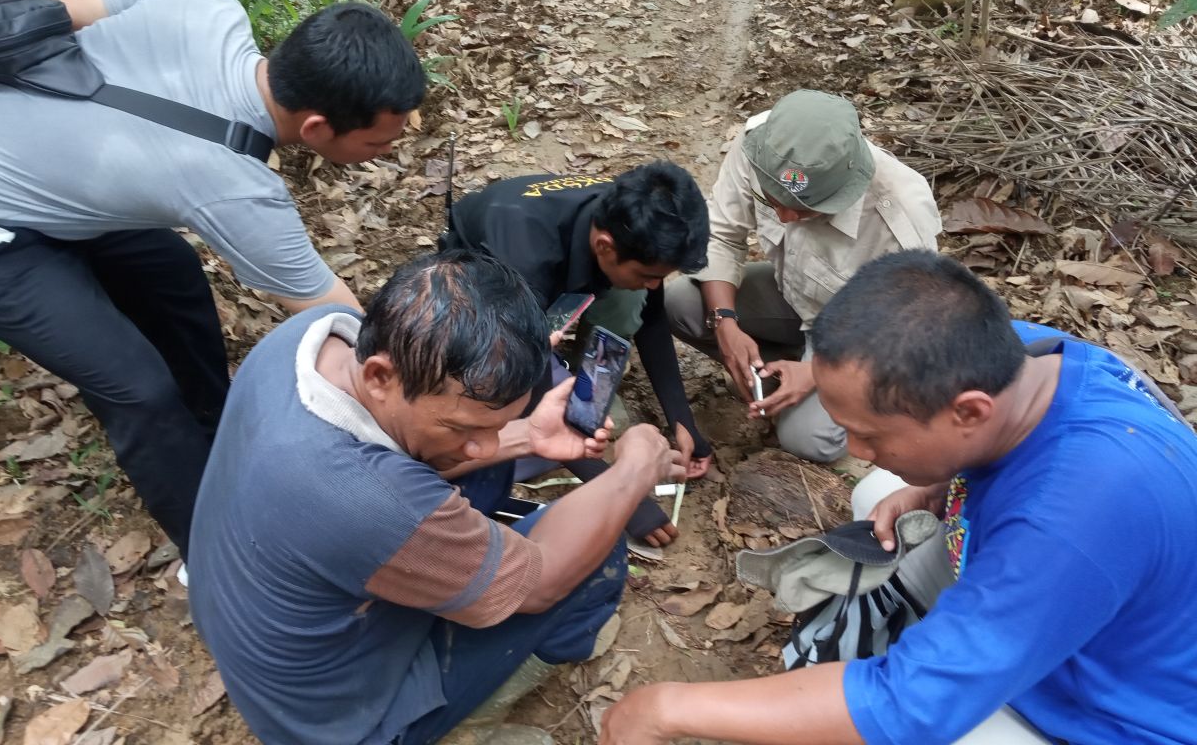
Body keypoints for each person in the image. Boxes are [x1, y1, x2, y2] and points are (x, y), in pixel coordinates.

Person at [601, 250, 1197, 745]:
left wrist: (666, 709)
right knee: (882, 491)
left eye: (872, 434)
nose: (855, 448)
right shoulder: (1029, 358)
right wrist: (933, 484)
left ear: (968, 412)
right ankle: (950, 630)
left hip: (1102, 710)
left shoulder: (1077, 511)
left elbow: (907, 707)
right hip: (1069, 608)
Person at [0, 0, 424, 556]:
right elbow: (339, 315)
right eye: (378, 145)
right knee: (138, 389)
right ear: (318, 129)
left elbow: (50, 12)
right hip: (7, 236)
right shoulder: (232, 187)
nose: (390, 150)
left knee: (173, 273)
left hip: (57, 190)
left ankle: (214, 429)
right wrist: (428, 380)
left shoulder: (201, 5)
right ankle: (212, 552)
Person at [189, 250, 682, 745]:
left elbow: (422, 463)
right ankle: (477, 708)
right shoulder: (370, 501)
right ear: (380, 376)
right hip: (340, 724)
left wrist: (527, 435)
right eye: (463, 426)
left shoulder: (315, 335)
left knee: (487, 473)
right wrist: (634, 472)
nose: (486, 442)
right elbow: (542, 583)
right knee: (599, 547)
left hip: (261, 642)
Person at [442, 163, 711, 547]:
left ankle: (581, 363)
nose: (656, 284)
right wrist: (621, 493)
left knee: (630, 296)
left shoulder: (636, 223)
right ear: (603, 246)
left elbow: (651, 314)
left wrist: (682, 420)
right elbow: (527, 377)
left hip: (559, 270)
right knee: (516, 433)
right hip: (482, 285)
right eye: (650, 273)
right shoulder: (526, 258)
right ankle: (565, 370)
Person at [665, 90, 941, 463]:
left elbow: (909, 333)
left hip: (857, 339)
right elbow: (722, 234)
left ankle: (810, 385)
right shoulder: (762, 146)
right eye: (772, 201)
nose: (784, 219)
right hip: (791, 296)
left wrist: (818, 372)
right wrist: (725, 322)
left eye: (805, 211)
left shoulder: (899, 214)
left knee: (809, 439)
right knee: (681, 303)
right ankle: (781, 368)